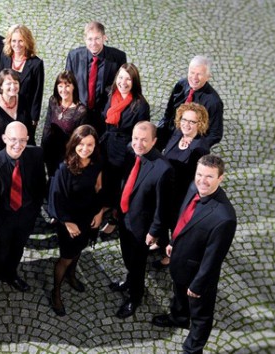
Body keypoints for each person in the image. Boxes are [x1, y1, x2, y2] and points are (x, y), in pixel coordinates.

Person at [152, 155, 237, 354]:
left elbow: (213, 258)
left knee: (201, 315)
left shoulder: (224, 217)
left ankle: (192, 349)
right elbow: (185, 218)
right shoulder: (193, 188)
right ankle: (178, 318)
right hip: (180, 261)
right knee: (178, 296)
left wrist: (198, 285)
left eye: (209, 177)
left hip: (199, 274)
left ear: (220, 178)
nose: (202, 180)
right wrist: (173, 242)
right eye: (200, 174)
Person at [0, 122, 46, 305]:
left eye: (22, 140)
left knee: (18, 249)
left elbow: (40, 186)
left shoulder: (36, 155)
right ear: (4, 139)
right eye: (14, 139)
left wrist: (33, 211)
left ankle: (10, 274)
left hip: (26, 215)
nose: (18, 144)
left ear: (28, 139)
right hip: (2, 218)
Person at [111, 121, 174, 319]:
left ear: (154, 141)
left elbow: (163, 207)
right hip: (124, 217)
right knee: (127, 256)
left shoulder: (163, 169)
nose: (138, 143)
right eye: (136, 138)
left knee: (137, 265)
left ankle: (135, 296)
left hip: (142, 228)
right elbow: (123, 181)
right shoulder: (130, 151)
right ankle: (129, 280)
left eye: (144, 140)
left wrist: (154, 232)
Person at [47, 125, 106, 316]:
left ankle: (72, 275)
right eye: (81, 144)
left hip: (87, 216)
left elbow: (98, 187)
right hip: (69, 219)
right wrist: (67, 222)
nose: (85, 149)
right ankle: (56, 291)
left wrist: (99, 212)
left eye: (90, 144)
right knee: (65, 257)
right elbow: (56, 196)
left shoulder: (96, 163)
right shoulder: (65, 167)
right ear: (74, 144)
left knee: (79, 249)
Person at [152, 103, 210, 269]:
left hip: (181, 195)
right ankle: (161, 243)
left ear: (200, 124)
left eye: (192, 122)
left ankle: (170, 255)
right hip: (166, 188)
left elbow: (197, 179)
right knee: (161, 217)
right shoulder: (178, 134)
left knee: (174, 225)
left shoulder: (200, 148)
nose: (187, 124)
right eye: (184, 119)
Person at [99, 63, 150, 220]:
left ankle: (115, 212)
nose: (123, 82)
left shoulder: (140, 105)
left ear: (134, 82)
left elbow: (141, 131)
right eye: (120, 77)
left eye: (128, 79)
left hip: (124, 149)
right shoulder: (109, 94)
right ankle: (104, 204)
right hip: (106, 143)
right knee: (105, 177)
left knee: (118, 181)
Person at [65, 21, 127, 135]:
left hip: (104, 112)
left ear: (104, 38)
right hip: (80, 111)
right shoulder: (74, 56)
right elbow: (68, 84)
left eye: (97, 38)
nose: (93, 43)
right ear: (85, 39)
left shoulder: (118, 57)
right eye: (90, 39)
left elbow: (120, 86)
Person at [156, 55, 223, 151]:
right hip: (170, 131)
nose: (194, 78)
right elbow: (169, 110)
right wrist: (161, 128)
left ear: (208, 77)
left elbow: (215, 134)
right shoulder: (181, 84)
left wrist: (194, 145)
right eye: (192, 73)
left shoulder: (213, 102)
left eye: (199, 74)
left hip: (190, 143)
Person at [0, 24, 44, 141]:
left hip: (25, 112)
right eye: (14, 41)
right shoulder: (5, 58)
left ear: (27, 42)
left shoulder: (36, 64)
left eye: (21, 41)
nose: (17, 45)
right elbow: (0, 83)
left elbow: (37, 92)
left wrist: (34, 117)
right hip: (6, 109)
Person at [41, 70, 87, 180]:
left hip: (66, 155)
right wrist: (43, 149)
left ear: (73, 87)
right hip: (51, 149)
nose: (63, 90)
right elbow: (47, 126)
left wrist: (71, 158)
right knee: (51, 178)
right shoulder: (53, 101)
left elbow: (79, 139)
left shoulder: (80, 111)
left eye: (67, 86)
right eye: (60, 86)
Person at [0, 69, 32, 142]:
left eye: (15, 83)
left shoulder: (23, 100)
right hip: (1, 149)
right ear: (1, 86)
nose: (13, 87)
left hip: (22, 147)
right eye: (9, 83)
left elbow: (29, 129)